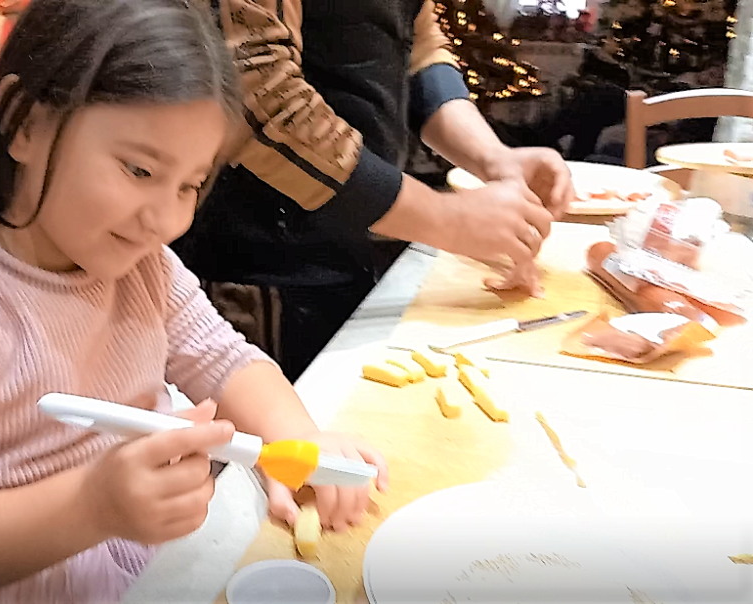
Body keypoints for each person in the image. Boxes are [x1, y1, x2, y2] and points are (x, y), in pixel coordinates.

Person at [0, 2, 386, 603]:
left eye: (190, 184)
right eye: (140, 170)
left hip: (159, 574)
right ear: (25, 122)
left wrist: (298, 441)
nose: (166, 218)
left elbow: (228, 361)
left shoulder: (143, 268)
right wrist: (92, 506)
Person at [173, 0, 576, 380]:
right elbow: (258, 90)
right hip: (264, 274)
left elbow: (418, 45)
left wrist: (493, 157)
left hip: (362, 243)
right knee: (281, 444)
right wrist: (447, 219)